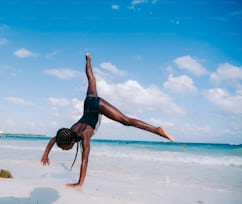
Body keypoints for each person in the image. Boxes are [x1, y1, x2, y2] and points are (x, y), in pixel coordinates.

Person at [41, 53, 174, 188]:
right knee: (91, 79)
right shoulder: (68, 132)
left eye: (63, 148)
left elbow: (84, 160)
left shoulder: (85, 135)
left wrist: (79, 183)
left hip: (97, 106)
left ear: (70, 142)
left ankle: (157, 130)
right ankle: (88, 60)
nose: (63, 150)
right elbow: (54, 139)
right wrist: (46, 154)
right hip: (89, 102)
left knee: (126, 120)